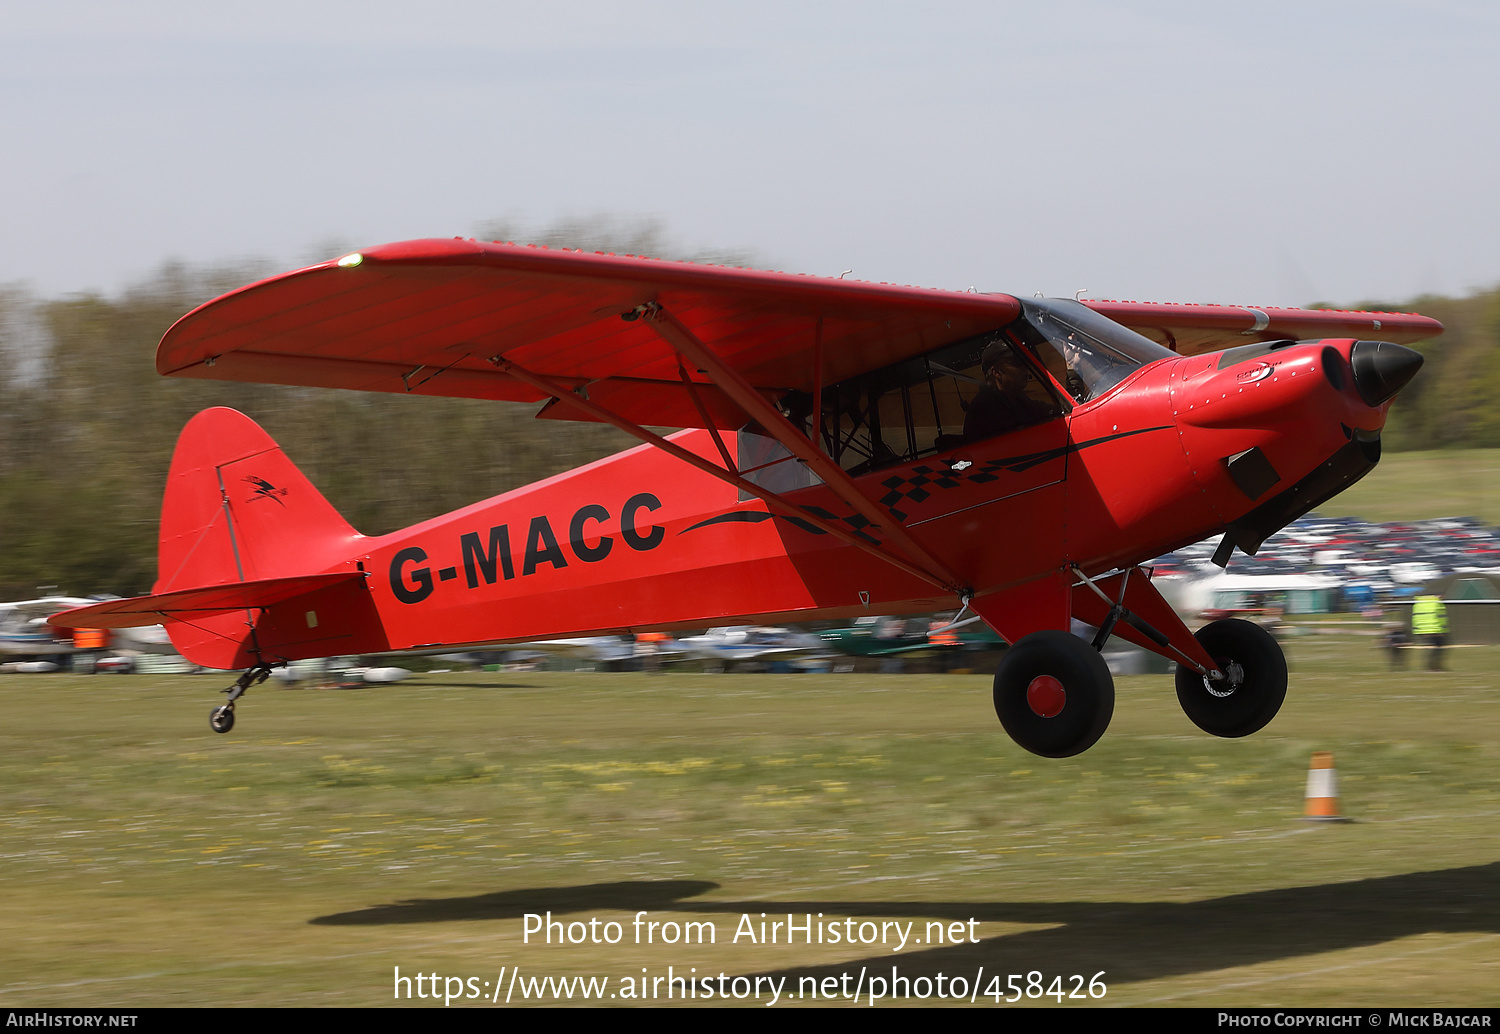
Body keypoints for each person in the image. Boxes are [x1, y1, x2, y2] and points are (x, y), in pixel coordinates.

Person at [963, 343, 1059, 441]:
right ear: (997, 372)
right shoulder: (985, 410)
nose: (1025, 367)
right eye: (1017, 362)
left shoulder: (1016, 398)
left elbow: (1052, 412)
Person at [1411, 594, 1448, 671]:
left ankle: (1432, 666)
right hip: (1434, 630)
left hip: (1424, 631)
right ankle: (1433, 667)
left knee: (1432, 649)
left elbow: (1417, 619)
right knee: (1437, 649)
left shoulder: (1419, 604)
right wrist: (1439, 631)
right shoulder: (1435, 604)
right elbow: (1437, 618)